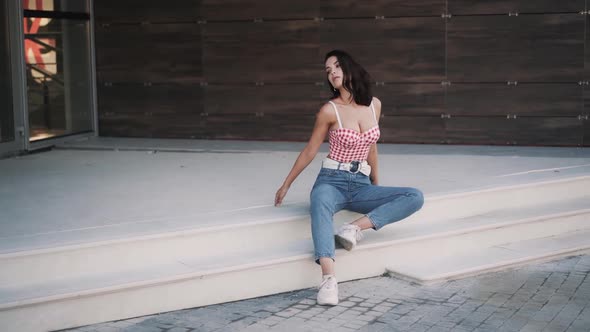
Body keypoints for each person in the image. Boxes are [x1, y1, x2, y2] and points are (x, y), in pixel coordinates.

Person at [274, 50, 424, 306]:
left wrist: (376, 184)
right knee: (319, 203)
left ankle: (354, 227)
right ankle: (329, 279)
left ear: (349, 68)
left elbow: (372, 147)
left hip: (361, 184)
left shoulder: (374, 104)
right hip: (331, 181)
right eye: (327, 70)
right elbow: (311, 149)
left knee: (414, 196)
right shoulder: (329, 111)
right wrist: (286, 184)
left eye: (336, 67)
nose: (331, 72)